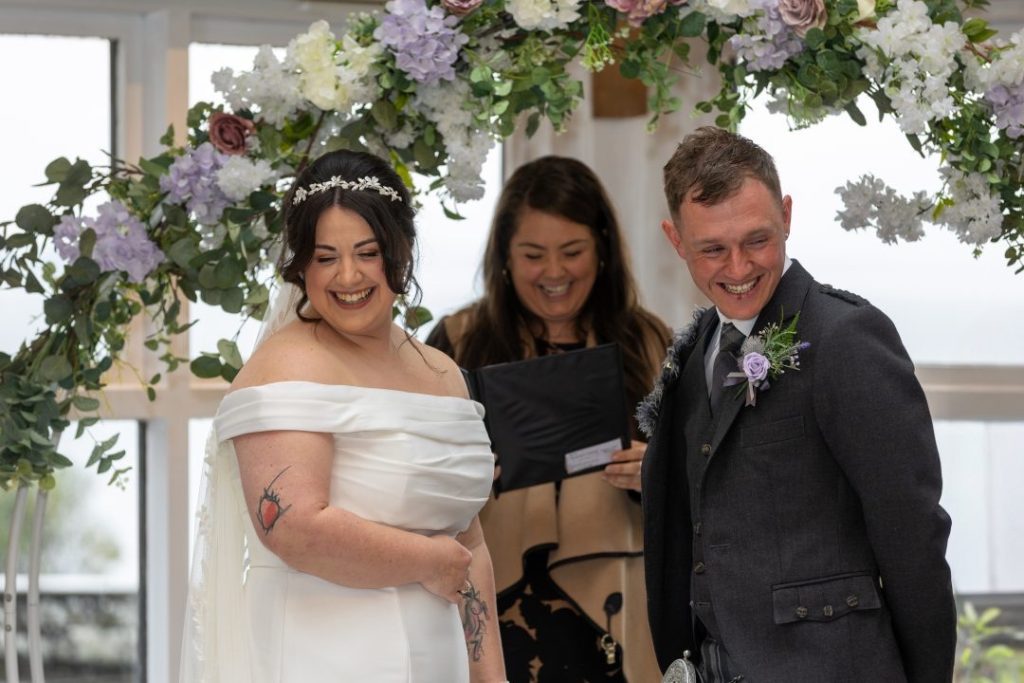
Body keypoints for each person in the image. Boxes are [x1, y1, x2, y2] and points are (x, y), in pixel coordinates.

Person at [639, 126, 957, 681]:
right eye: (712, 249)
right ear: (675, 239)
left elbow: (913, 537)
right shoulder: (694, 352)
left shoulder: (846, 338)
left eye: (757, 240)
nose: (738, 269)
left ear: (786, 214)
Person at [180, 149, 506, 683]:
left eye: (367, 252)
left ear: (399, 252)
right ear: (301, 264)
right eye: (326, 256)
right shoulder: (286, 366)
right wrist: (430, 562)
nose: (348, 275)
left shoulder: (443, 372)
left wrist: (490, 676)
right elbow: (293, 527)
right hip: (319, 657)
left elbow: (468, 544)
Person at [425, 155, 670, 683]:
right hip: (490, 605)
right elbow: (411, 484)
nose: (554, 273)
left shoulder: (650, 343)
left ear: (602, 252)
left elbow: (707, 488)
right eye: (534, 255)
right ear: (505, 259)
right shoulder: (456, 342)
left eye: (573, 252)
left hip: (618, 612)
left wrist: (660, 470)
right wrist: (456, 477)